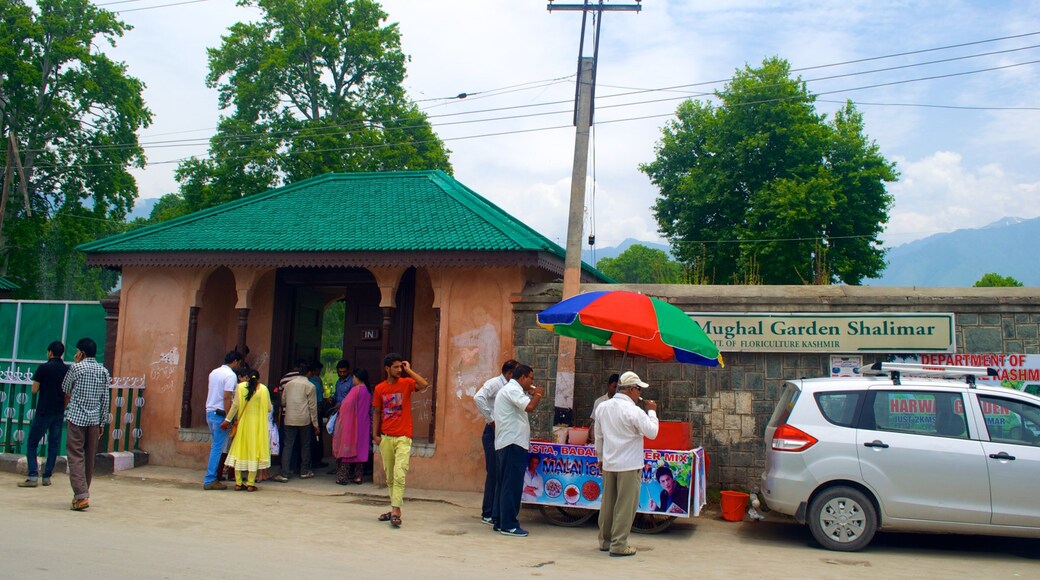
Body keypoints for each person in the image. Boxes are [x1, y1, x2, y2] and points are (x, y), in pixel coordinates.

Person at [593, 370, 659, 557]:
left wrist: (600, 458)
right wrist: (652, 411)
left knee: (608, 504)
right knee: (624, 506)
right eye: (638, 390)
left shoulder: (603, 407)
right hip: (629, 464)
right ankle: (619, 544)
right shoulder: (634, 411)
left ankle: (605, 540)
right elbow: (652, 432)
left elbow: (598, 436)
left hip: (609, 462)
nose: (639, 394)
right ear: (631, 389)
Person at [372, 353, 430, 528]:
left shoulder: (406, 383)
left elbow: (424, 384)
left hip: (404, 436)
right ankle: (394, 506)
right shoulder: (379, 388)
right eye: (396, 367)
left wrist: (408, 369)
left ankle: (396, 510)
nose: (399, 370)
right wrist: (375, 435)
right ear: (387, 368)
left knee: (400, 473)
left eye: (400, 367)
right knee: (390, 476)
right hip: (386, 437)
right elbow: (376, 412)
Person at [492, 363, 545, 537]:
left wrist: (529, 393)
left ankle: (500, 520)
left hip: (506, 443)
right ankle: (509, 524)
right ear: (522, 377)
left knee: (504, 484)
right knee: (512, 485)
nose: (533, 382)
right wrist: (538, 394)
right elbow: (529, 407)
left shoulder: (511, 390)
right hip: (513, 443)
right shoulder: (513, 390)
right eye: (531, 378)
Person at [61, 337, 112, 511]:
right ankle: (83, 493)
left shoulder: (76, 368)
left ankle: (81, 495)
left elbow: (66, 388)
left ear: (81, 353)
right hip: (93, 420)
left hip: (76, 417)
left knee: (75, 456)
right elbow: (105, 399)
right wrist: (102, 423)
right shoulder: (103, 371)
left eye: (77, 352)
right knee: (89, 457)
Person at [473, 359, 519, 525]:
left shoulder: (512, 388)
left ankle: (496, 511)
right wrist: (490, 419)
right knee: (493, 471)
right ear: (509, 374)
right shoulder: (495, 384)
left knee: (501, 472)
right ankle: (487, 512)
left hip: (504, 432)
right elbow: (478, 397)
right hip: (492, 432)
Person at [18, 341, 69, 488]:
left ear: (50, 353)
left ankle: (33, 476)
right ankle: (47, 477)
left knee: (32, 443)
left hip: (43, 411)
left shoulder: (43, 368)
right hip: (58, 412)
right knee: (53, 445)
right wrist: (62, 407)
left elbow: (34, 389)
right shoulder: (66, 370)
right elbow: (68, 394)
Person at [221, 368, 272, 491]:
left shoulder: (240, 387)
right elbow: (269, 408)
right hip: (257, 426)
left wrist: (227, 420)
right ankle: (250, 483)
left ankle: (238, 483)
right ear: (258, 378)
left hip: (243, 424)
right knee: (254, 451)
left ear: (247, 377)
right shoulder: (264, 390)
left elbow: (235, 406)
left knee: (239, 450)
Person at [203, 350, 243, 490]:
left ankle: (212, 477)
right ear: (236, 361)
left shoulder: (214, 372)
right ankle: (210, 479)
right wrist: (229, 417)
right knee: (217, 448)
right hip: (220, 414)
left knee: (216, 446)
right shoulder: (230, 375)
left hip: (210, 411)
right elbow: (227, 397)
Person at [273, 361, 318, 482]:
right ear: (308, 373)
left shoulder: (289, 384)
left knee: (288, 445)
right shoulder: (310, 386)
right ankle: (304, 471)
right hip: (304, 419)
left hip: (289, 418)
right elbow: (312, 407)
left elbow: (283, 402)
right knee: (305, 445)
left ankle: (284, 473)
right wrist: (316, 424)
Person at [333, 368, 372, 485]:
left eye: (354, 377)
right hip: (364, 424)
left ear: (357, 378)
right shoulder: (368, 390)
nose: (353, 380)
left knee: (347, 450)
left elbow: (345, 405)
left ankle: (342, 477)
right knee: (361, 450)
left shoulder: (356, 390)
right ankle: (358, 476)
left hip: (352, 424)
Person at [308, 362, 329, 468]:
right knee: (316, 437)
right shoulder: (316, 383)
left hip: (304, 416)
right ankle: (316, 460)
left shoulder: (293, 383)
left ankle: (305, 464)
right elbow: (319, 402)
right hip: (315, 413)